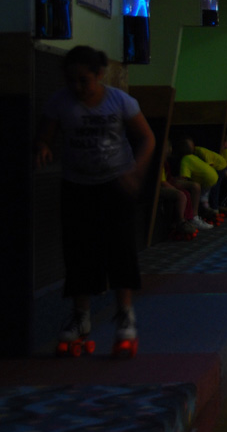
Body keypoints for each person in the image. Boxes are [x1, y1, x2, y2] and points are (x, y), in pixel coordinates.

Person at [35, 46, 155, 354]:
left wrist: (136, 172)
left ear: (99, 75)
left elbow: (147, 138)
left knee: (119, 249)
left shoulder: (120, 101)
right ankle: (81, 317)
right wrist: (44, 147)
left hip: (115, 183)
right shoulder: (59, 102)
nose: (77, 87)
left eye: (84, 80)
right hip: (77, 185)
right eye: (71, 80)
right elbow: (46, 135)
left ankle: (125, 315)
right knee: (79, 251)